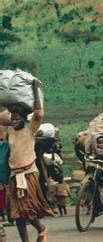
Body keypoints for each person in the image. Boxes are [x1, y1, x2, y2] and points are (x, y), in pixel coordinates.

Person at [5, 80, 54, 241]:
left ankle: (42, 229)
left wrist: (35, 91)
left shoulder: (30, 128)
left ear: (24, 118)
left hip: (28, 174)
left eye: (17, 117)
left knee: (27, 209)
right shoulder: (9, 130)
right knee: (16, 213)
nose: (13, 119)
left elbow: (38, 113)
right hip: (14, 175)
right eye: (12, 117)